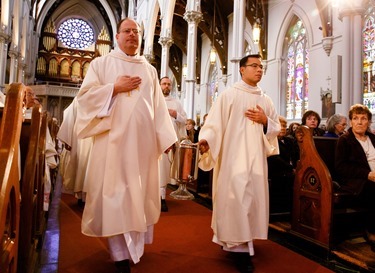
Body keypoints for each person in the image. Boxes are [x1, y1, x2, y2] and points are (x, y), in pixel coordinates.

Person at [74, 18, 177, 273]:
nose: (132, 35)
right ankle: (120, 255)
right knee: (116, 197)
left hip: (142, 147)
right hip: (113, 146)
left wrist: (165, 140)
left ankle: (133, 247)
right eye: (127, 31)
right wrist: (113, 88)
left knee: (137, 196)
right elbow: (84, 100)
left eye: (137, 31)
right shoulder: (101, 64)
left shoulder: (149, 70)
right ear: (117, 36)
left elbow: (159, 109)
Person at [198, 54, 280, 273]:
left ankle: (240, 243)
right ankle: (240, 251)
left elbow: (276, 129)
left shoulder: (266, 99)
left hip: (256, 160)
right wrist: (206, 140)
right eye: (254, 66)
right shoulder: (228, 95)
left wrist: (265, 122)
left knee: (250, 200)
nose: (259, 70)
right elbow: (214, 124)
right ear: (242, 70)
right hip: (232, 159)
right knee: (235, 200)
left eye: (261, 67)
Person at [335, 104, 375, 252]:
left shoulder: (373, 138)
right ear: (351, 122)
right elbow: (341, 167)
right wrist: (367, 174)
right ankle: (372, 231)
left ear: (369, 122)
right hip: (356, 183)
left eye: (363, 118)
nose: (359, 122)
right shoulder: (345, 140)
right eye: (355, 118)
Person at [57, 98, 93, 207]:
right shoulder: (80, 98)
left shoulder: (81, 97)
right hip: (82, 140)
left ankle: (84, 198)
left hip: (90, 139)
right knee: (84, 167)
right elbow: (69, 114)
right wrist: (69, 140)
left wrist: (68, 139)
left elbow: (68, 115)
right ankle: (83, 198)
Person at [159, 76, 187, 212]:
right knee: (157, 170)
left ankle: (162, 198)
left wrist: (176, 114)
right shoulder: (154, 100)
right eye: (164, 84)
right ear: (159, 85)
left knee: (164, 170)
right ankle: (156, 197)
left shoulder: (176, 103)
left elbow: (185, 120)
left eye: (169, 84)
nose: (166, 87)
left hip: (171, 141)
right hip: (156, 141)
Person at [267, 116, 299, 213]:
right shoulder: (270, 140)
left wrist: (296, 166)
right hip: (277, 172)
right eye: (281, 126)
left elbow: (296, 154)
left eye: (285, 126)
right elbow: (274, 158)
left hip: (291, 171)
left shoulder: (289, 140)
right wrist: (290, 168)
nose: (283, 128)